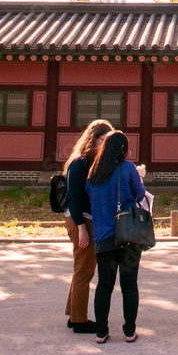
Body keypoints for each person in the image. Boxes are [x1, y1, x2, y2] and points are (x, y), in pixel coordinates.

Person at [85, 130, 146, 343]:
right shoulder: (128, 168)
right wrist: (140, 177)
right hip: (128, 235)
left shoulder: (94, 173)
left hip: (103, 235)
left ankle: (101, 332)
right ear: (123, 149)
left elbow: (91, 198)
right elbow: (140, 195)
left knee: (104, 285)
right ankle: (129, 331)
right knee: (129, 285)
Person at [63, 118, 113, 333]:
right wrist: (81, 227)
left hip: (84, 219)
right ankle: (80, 321)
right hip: (81, 220)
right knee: (84, 270)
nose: (107, 145)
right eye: (106, 140)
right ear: (95, 138)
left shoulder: (88, 161)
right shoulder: (80, 162)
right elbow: (73, 197)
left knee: (81, 268)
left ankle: (74, 315)